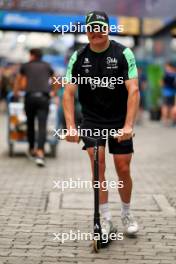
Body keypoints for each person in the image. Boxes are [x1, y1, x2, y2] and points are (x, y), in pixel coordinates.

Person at [63, 11, 140, 236]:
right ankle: (105, 219)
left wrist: (128, 126)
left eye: (100, 27)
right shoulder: (78, 56)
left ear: (107, 29)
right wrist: (70, 126)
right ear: (87, 31)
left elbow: (133, 90)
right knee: (98, 167)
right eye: (91, 28)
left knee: (123, 167)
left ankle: (126, 213)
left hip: (119, 119)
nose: (96, 32)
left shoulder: (123, 53)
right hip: (92, 119)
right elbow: (67, 94)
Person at [14, 48, 59, 167]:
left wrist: (16, 92)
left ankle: (31, 148)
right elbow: (56, 80)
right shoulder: (47, 66)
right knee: (42, 125)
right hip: (44, 98)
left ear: (32, 55)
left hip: (30, 98)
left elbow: (18, 80)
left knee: (30, 124)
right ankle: (40, 152)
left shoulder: (25, 66)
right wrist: (54, 92)